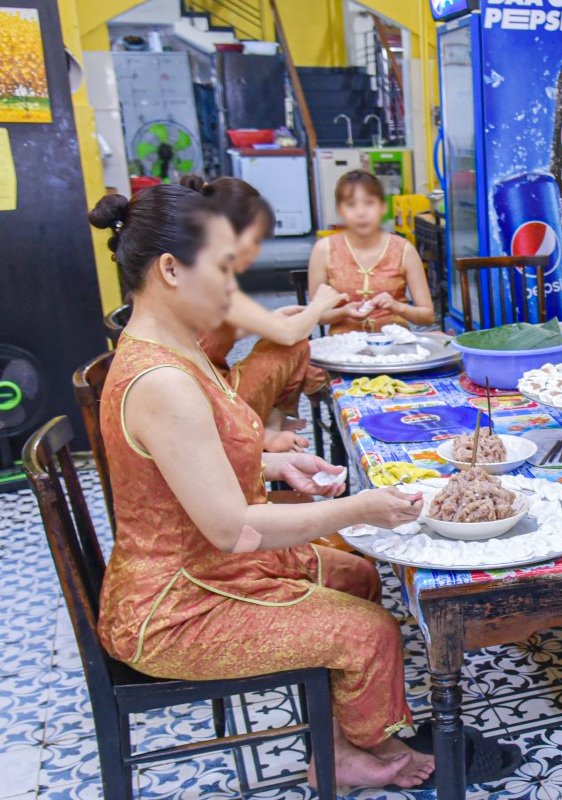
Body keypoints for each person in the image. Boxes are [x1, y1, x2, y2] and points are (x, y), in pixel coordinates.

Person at [88, 185, 434, 788]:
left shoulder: (179, 350)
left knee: (356, 575)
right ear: (170, 268)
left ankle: (341, 738)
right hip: (174, 604)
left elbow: (191, 463)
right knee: (369, 630)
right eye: (222, 266)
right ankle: (351, 751)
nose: (232, 286)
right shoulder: (160, 379)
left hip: (209, 568)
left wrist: (275, 467)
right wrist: (359, 508)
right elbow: (231, 528)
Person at [181, 176, 346, 453]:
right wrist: (319, 305)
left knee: (287, 343)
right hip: (211, 400)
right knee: (294, 345)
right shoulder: (210, 275)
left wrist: (272, 319)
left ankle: (272, 424)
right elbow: (290, 334)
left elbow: (215, 331)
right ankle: (267, 428)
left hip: (203, 388)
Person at [308, 170, 434, 334]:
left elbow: (427, 316)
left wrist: (398, 307)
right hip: (342, 350)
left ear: (383, 207)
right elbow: (315, 315)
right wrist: (343, 312)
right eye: (351, 205)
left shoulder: (404, 249)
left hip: (395, 349)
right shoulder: (323, 250)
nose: (361, 213)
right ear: (340, 210)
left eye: (369, 203)